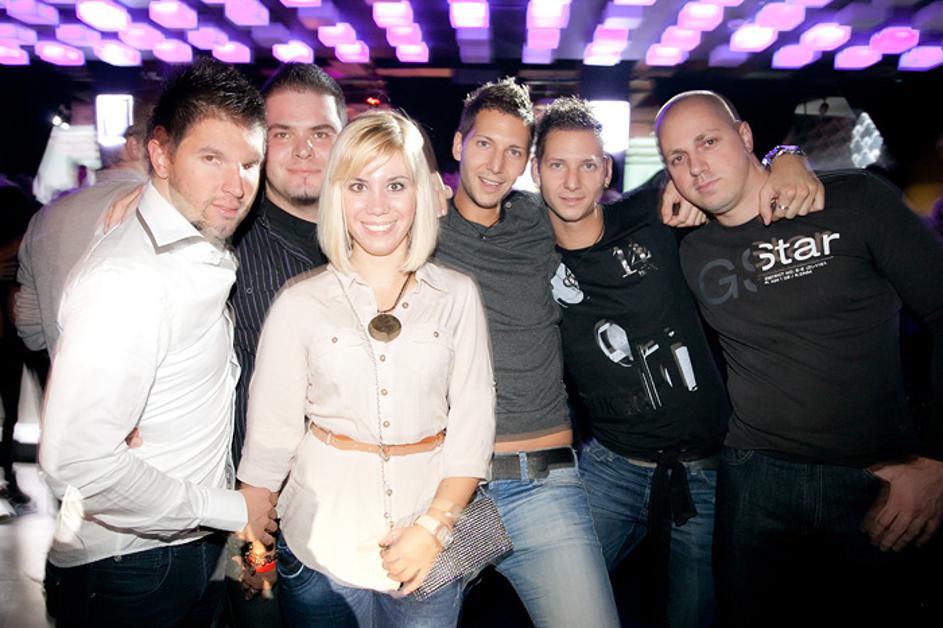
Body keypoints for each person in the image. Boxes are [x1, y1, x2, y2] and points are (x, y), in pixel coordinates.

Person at [531, 96, 823, 628]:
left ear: (607, 172)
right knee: (555, 603)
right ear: (535, 171)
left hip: (706, 468)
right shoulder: (524, 249)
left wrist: (786, 155)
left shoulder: (658, 212)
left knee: (693, 617)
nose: (572, 182)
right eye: (557, 165)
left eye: (587, 165)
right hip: (611, 466)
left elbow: (734, 177)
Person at [656, 90, 943, 627]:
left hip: (876, 478)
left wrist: (936, 461)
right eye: (677, 157)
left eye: (708, 142)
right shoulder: (690, 247)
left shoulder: (855, 200)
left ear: (745, 136)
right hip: (754, 480)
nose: (696, 166)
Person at [38, 58, 277, 627]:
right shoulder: (129, 279)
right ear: (162, 155)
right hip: (128, 568)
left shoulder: (197, 243)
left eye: (249, 164)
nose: (235, 186)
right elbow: (76, 463)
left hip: (183, 551)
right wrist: (230, 508)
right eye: (211, 158)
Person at [237, 110, 495, 627]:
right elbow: (266, 447)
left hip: (431, 548)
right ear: (337, 194)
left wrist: (434, 529)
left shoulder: (457, 296)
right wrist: (252, 564)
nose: (377, 205)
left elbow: (473, 428)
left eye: (395, 184)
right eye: (359, 185)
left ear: (420, 192)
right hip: (319, 552)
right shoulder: (299, 301)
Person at [15, 98, 152, 357]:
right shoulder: (161, 209)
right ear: (134, 146)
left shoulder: (46, 216)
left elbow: (31, 330)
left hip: (67, 378)